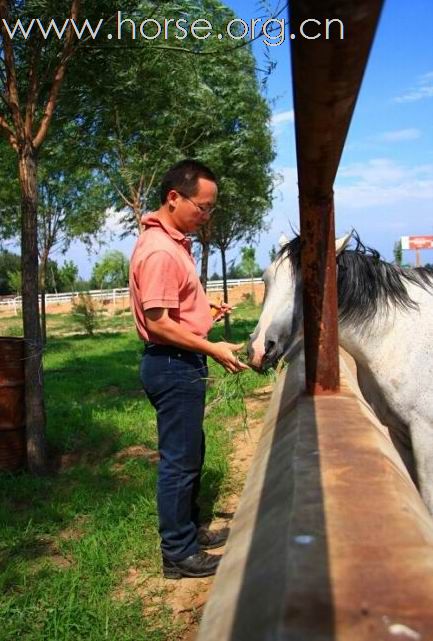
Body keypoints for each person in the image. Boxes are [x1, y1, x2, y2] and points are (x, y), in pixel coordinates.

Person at [129, 159, 249, 579]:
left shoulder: (174, 244)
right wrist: (212, 348)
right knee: (179, 462)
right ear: (174, 198)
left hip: (179, 362)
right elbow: (159, 324)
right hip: (173, 367)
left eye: (211, 208)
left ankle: (189, 531)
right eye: (203, 206)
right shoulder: (161, 251)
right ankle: (178, 553)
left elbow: (173, 314)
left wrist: (204, 314)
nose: (206, 215)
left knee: (190, 453)